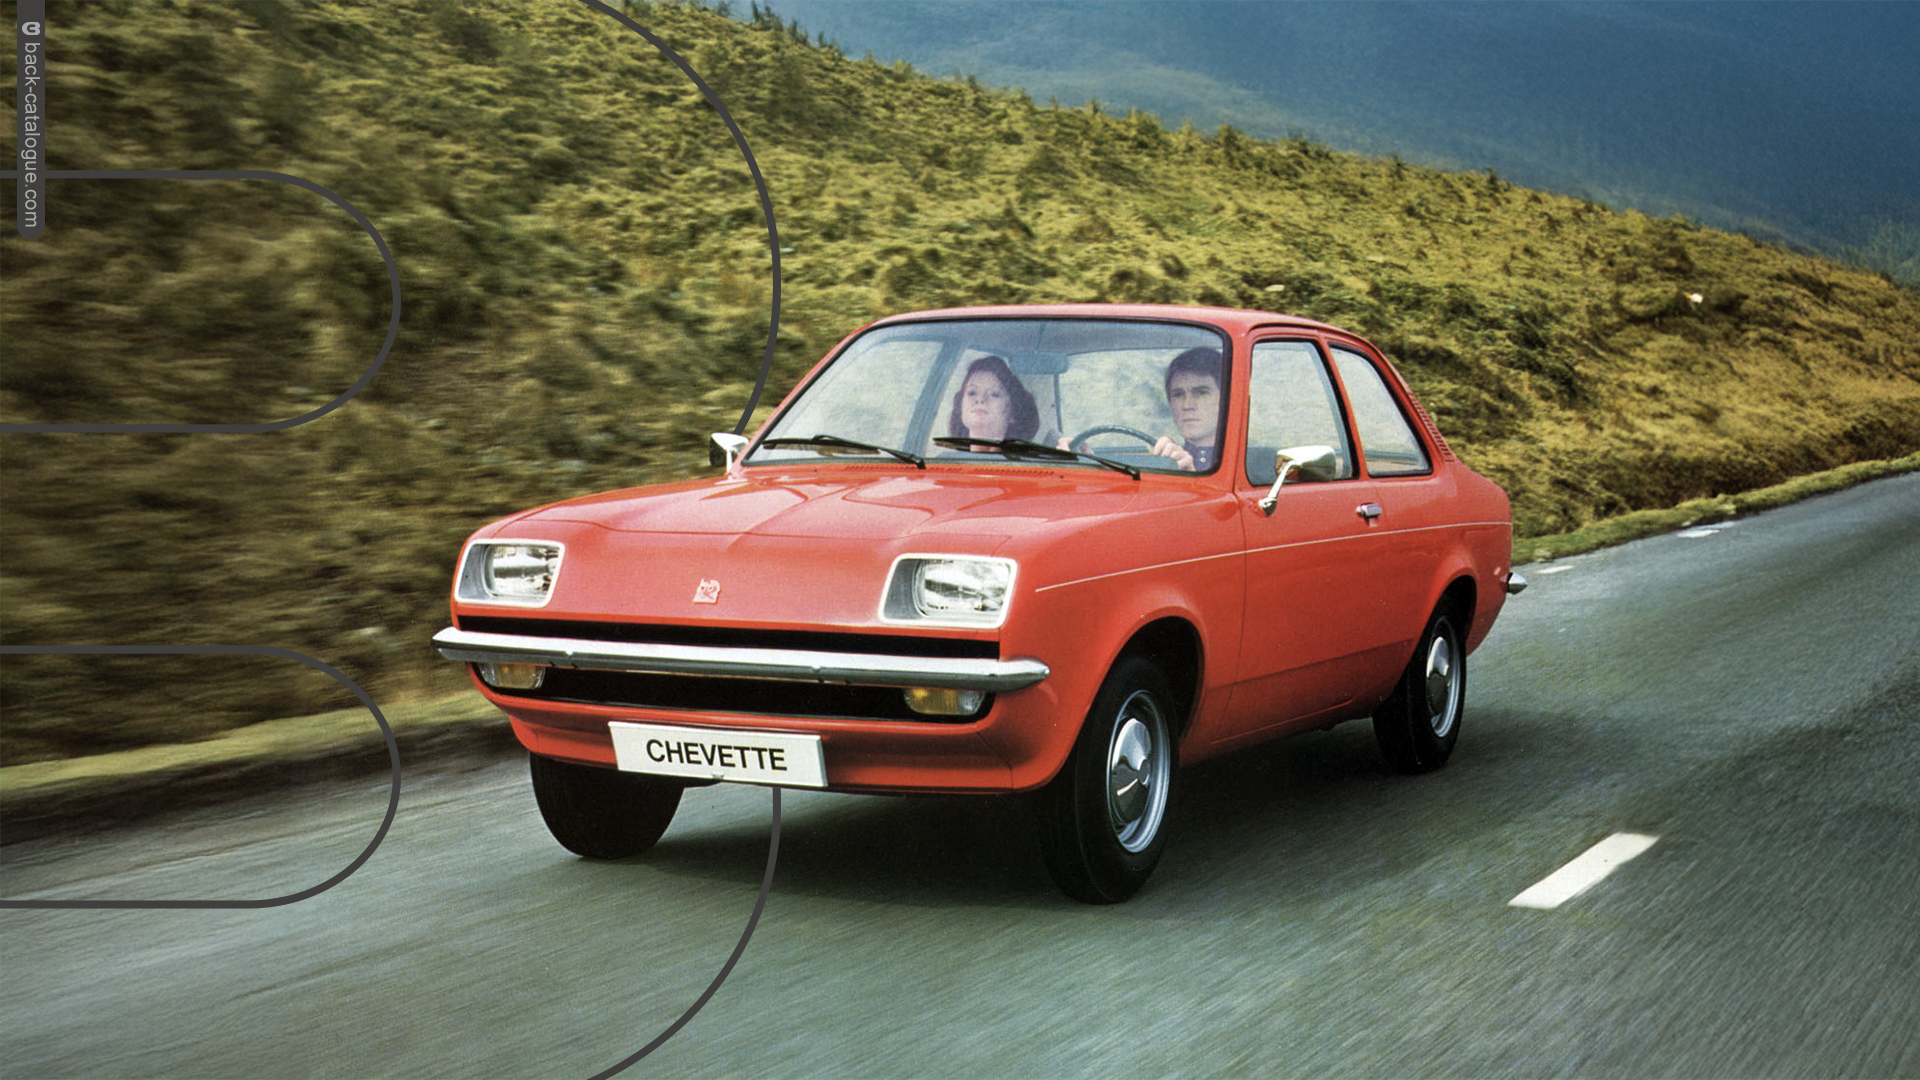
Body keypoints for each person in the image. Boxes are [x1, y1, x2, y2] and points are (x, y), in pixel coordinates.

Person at [1154, 346, 1223, 471]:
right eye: (1178, 394)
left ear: (1225, 398)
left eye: (1201, 393)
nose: (1187, 405)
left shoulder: (1256, 467)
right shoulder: (1162, 460)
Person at [947, 355, 1040, 445]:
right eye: (972, 393)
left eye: (994, 394)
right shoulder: (942, 459)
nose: (980, 399)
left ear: (1013, 411)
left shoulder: (1027, 461)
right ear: (960, 405)